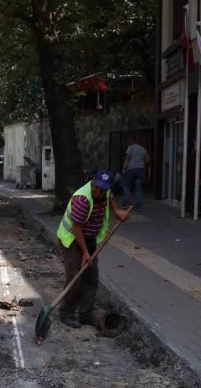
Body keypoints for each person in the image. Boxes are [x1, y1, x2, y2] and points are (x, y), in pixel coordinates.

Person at [56, 170, 130, 328]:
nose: (99, 192)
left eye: (103, 189)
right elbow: (77, 228)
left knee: (91, 278)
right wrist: (85, 253)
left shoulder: (106, 191)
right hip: (72, 240)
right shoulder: (82, 199)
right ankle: (66, 313)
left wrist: (116, 211)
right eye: (97, 188)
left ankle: (85, 314)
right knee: (75, 276)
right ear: (92, 181)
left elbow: (110, 199)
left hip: (89, 240)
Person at [122, 135, 149, 211]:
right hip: (140, 169)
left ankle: (127, 203)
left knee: (127, 186)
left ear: (133, 141)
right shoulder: (144, 149)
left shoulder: (130, 148)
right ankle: (139, 205)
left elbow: (127, 157)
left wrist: (124, 168)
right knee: (139, 188)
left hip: (131, 169)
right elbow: (147, 160)